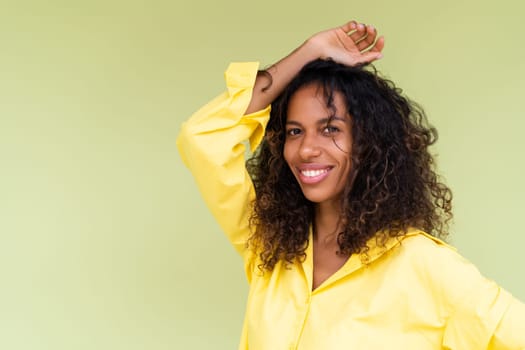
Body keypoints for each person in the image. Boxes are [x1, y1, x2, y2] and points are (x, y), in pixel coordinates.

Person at [177, 21, 525, 349]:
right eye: (295, 131)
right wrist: (309, 51)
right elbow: (203, 140)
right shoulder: (269, 244)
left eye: (330, 129)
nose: (307, 148)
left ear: (368, 143)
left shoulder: (423, 265)